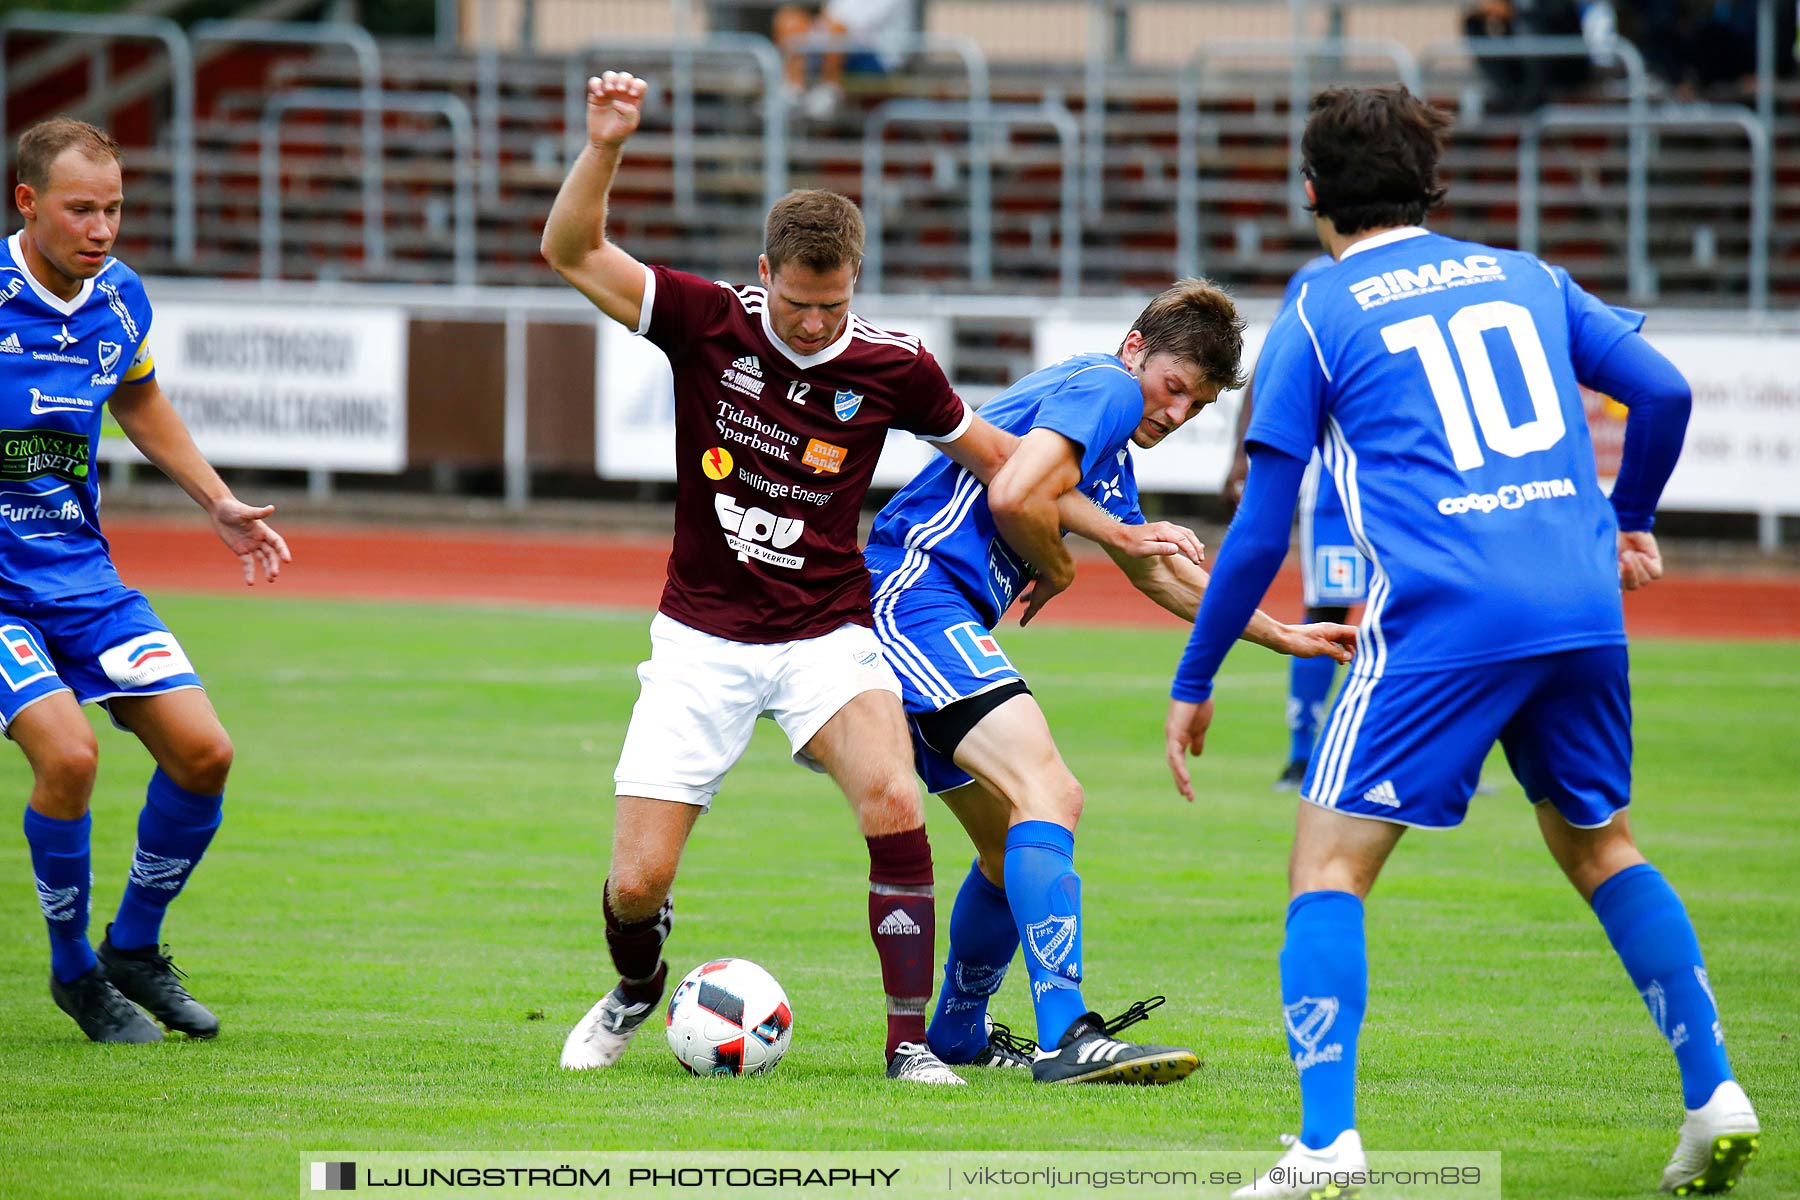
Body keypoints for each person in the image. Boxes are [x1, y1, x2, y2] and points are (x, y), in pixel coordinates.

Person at [1163, 85, 1759, 1197]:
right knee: (1600, 845)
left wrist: (1197, 673)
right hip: (1581, 607)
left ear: (1310, 192)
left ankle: (1326, 1148)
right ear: (1431, 182)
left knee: (1328, 867)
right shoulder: (1526, 276)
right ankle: (1714, 1090)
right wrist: (1631, 517)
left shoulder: (1321, 311)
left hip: (1447, 615)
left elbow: (1258, 522)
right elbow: (1664, 391)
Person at [542, 71, 1020, 1085]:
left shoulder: (896, 366)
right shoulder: (707, 320)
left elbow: (999, 459)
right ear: (766, 275)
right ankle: (634, 990)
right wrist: (608, 145)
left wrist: (1120, 530)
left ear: (857, 280)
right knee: (638, 882)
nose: (813, 326)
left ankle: (908, 1047)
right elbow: (570, 251)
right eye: (798, 306)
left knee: (895, 801)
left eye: (832, 305)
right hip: (701, 640)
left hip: (827, 638)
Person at [865, 280, 1359, 1084]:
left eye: (1195, 407)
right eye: (1173, 389)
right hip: (913, 598)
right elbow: (1018, 493)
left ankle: (957, 1029)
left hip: (927, 611)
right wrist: (1065, 559)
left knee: (1003, 848)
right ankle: (1067, 1032)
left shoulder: (1108, 437)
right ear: (1135, 349)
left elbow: (1154, 573)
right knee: (1052, 792)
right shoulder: (1101, 387)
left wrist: (1277, 633)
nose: (1175, 413)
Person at [7, 119, 291, 1044]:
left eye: (115, 208)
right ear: (27, 203)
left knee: (204, 753)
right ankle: (74, 972)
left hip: (83, 576)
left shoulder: (120, 297)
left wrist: (215, 499)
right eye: (81, 209)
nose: (102, 227)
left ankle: (133, 948)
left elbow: (135, 394)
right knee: (70, 756)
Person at [1224, 255, 1369, 791]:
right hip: (1336, 484)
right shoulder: (1313, 278)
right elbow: (1271, 368)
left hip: (1416, 491)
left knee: (1416, 611)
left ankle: (1422, 756)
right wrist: (1243, 454)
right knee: (1329, 606)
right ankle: (1302, 756)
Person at [773, 0, 914, 119]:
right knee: (789, 20)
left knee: (836, 30)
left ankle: (829, 91)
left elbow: (857, 25)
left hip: (880, 60)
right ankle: (793, 92)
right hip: (845, 52)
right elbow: (831, 21)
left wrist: (822, 30)